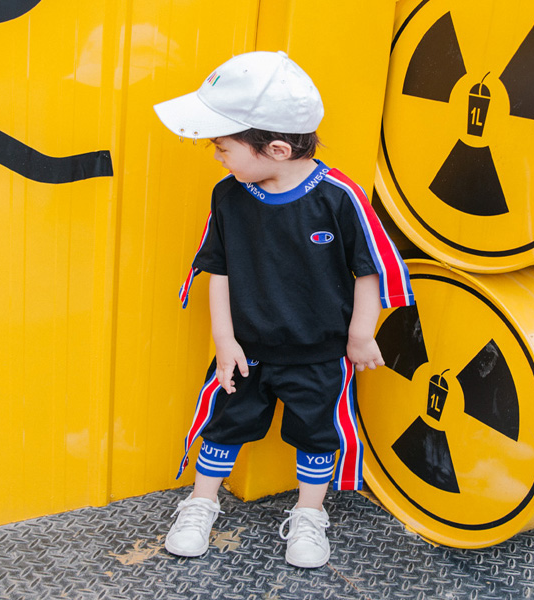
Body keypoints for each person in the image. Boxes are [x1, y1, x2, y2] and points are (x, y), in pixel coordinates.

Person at [153, 50, 414, 569]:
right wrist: (224, 340)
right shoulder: (228, 196)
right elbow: (219, 269)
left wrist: (361, 335)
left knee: (316, 434)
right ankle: (201, 503)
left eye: (222, 146)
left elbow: (371, 268)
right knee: (224, 424)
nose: (216, 156)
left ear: (275, 149)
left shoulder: (339, 197)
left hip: (318, 355)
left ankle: (309, 514)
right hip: (246, 352)